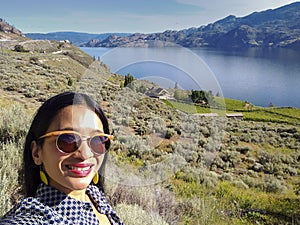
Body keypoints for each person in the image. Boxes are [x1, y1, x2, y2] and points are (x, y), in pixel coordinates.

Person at [0, 91, 124, 225]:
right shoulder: (31, 220)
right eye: (68, 140)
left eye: (97, 140)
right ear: (37, 153)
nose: (85, 154)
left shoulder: (95, 198)